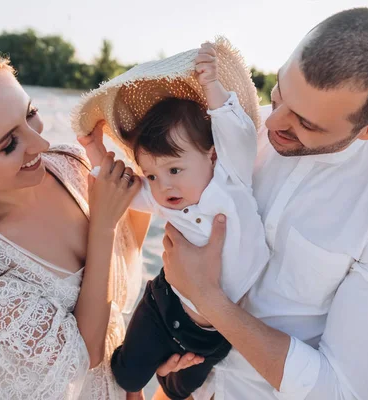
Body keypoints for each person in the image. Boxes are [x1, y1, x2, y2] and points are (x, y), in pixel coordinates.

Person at [159, 8, 368, 400]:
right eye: (278, 92)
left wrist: (208, 299)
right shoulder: (240, 128)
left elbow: (338, 390)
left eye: (306, 123)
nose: (272, 122)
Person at [0, 44, 198, 400]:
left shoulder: (72, 165)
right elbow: (84, 354)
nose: (41, 142)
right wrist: (102, 225)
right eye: (8, 144)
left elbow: (128, 261)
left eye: (30, 113)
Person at [79, 43, 269, 399]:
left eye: (175, 169)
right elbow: (122, 189)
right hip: (163, 304)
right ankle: (145, 363)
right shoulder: (162, 196)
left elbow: (235, 130)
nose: (163, 185)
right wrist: (96, 152)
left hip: (215, 327)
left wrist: (211, 84)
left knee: (181, 388)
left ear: (212, 156)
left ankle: (165, 371)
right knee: (128, 377)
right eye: (151, 174)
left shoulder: (231, 177)